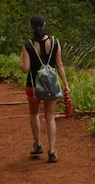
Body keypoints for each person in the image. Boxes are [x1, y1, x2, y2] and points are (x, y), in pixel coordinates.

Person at [20, 14, 70, 163]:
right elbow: (59, 65)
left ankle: (37, 145)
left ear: (31, 28)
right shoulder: (55, 42)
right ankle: (52, 151)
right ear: (44, 25)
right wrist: (66, 84)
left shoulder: (28, 45)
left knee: (34, 114)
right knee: (50, 117)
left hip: (33, 86)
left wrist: (22, 59)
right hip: (51, 85)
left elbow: (25, 69)